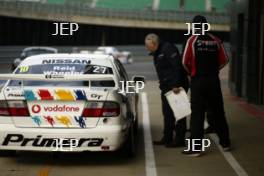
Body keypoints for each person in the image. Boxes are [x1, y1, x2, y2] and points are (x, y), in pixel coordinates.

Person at [182, 15, 231, 156]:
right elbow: (225, 60)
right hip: (213, 81)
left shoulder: (192, 40)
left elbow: (184, 62)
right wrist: (214, 70)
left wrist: (192, 73)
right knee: (218, 112)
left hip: (198, 81)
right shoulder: (216, 40)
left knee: (197, 115)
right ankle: (225, 142)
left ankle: (196, 148)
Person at [145, 33, 189, 147]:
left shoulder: (168, 48)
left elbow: (177, 66)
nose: (147, 48)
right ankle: (167, 137)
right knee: (167, 113)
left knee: (180, 112)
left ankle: (179, 140)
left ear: (154, 44)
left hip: (176, 86)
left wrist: (176, 84)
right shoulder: (157, 51)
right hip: (166, 86)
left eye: (148, 46)